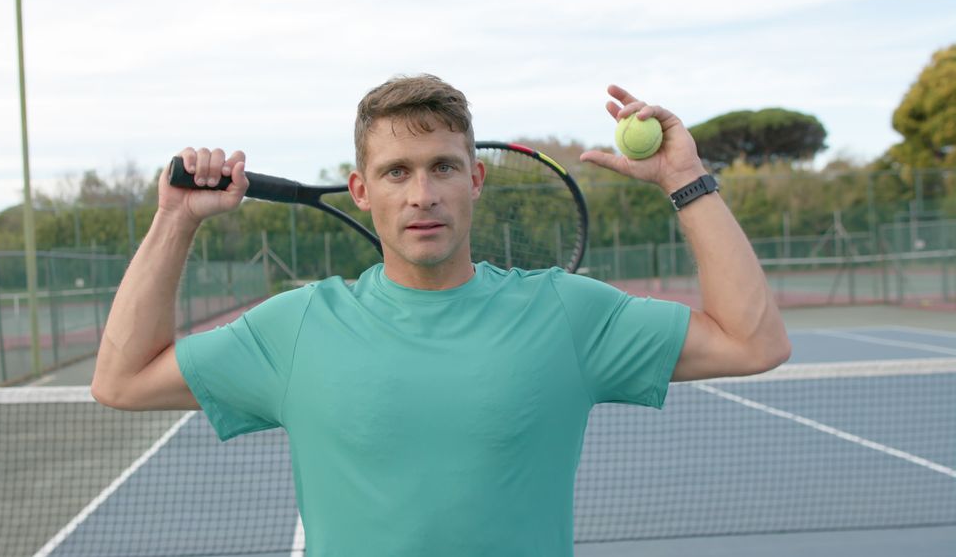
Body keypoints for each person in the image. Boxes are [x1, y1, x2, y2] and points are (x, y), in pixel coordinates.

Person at [92, 74, 791, 556]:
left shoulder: (565, 314)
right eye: (397, 171)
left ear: (475, 179)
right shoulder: (299, 326)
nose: (422, 193)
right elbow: (120, 380)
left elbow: (753, 342)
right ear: (362, 190)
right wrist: (175, 219)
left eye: (443, 167)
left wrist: (684, 179)